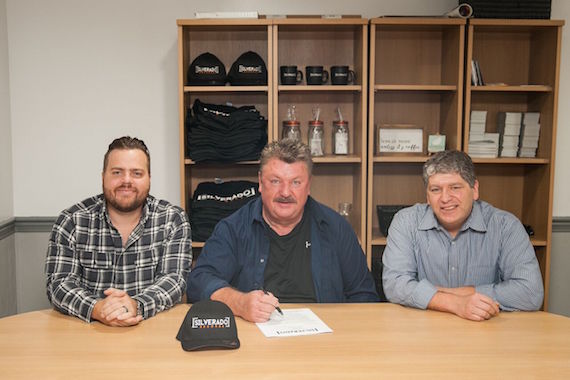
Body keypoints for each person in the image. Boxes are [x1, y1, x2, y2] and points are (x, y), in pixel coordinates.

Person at [187, 139, 378, 322]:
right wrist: (240, 304)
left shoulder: (336, 228)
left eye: (296, 182)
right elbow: (200, 281)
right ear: (261, 183)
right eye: (276, 181)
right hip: (255, 340)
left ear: (309, 185)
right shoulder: (234, 228)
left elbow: (364, 295)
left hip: (323, 343)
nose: (285, 193)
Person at [45, 136, 192, 327]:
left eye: (137, 173)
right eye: (117, 172)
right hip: (88, 334)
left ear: (149, 178)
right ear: (103, 176)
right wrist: (97, 309)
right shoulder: (72, 221)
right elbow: (59, 283)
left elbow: (174, 280)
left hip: (151, 331)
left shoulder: (173, 219)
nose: (126, 181)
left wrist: (136, 305)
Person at [382, 150, 544, 321]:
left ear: (474, 189)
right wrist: (456, 303)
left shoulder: (506, 227)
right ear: (427, 196)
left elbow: (530, 291)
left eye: (455, 188)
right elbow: (395, 284)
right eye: (436, 189)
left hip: (487, 332)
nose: (445, 198)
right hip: (424, 331)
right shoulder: (406, 222)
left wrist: (452, 294)